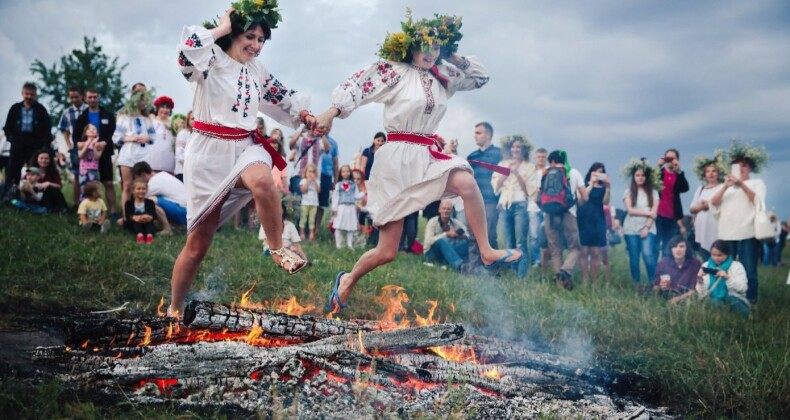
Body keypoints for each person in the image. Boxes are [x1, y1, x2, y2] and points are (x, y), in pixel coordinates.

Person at [315, 12, 521, 312]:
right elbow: (358, 87)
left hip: (426, 154)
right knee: (386, 252)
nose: (430, 52)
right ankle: (346, 281)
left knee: (466, 180)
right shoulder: (393, 71)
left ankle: (487, 251)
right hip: (396, 159)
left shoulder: (442, 75)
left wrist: (453, 55)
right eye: (425, 46)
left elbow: (481, 78)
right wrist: (331, 113)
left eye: (436, 47)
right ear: (410, 46)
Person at [169, 6, 318, 316]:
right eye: (250, 36)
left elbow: (281, 96)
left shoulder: (257, 70)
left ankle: (277, 249)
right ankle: (173, 308)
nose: (257, 45)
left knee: (264, 181)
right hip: (208, 154)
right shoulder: (210, 59)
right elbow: (186, 52)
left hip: (244, 145)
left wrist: (303, 114)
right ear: (234, 33)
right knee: (198, 246)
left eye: (262, 39)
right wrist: (222, 27)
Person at [709, 147, 767, 303]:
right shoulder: (726, 186)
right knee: (725, 268)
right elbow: (713, 203)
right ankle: (727, 298)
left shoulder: (757, 183)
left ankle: (750, 301)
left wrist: (741, 184)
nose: (740, 169)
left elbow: (757, 200)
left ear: (750, 168)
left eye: (744, 165)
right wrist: (726, 186)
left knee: (749, 270)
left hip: (747, 232)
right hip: (727, 233)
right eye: (737, 166)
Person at [540, 150, 588, 289]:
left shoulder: (545, 173)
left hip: (549, 215)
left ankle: (560, 286)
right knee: (575, 248)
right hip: (569, 214)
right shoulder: (573, 173)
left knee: (555, 250)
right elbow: (585, 197)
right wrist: (574, 205)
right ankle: (565, 270)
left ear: (552, 161)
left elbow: (538, 197)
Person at [491, 134, 536, 279]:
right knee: (509, 242)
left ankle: (521, 276)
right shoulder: (502, 164)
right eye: (514, 147)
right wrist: (506, 173)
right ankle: (513, 272)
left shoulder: (529, 167)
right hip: (505, 204)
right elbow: (496, 187)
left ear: (524, 150)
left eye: (519, 147)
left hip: (520, 204)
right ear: (510, 149)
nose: (516, 149)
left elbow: (528, 191)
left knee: (521, 241)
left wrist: (516, 173)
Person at [72, 88, 118, 218]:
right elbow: (76, 136)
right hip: (87, 156)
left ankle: (113, 211)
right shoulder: (82, 117)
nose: (92, 99)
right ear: (85, 99)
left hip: (104, 152)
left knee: (108, 182)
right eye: (90, 97)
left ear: (99, 98)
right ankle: (85, 211)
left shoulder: (107, 115)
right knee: (87, 184)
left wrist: (104, 143)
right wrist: (79, 144)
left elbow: (113, 133)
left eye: (95, 97)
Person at [113, 87, 155, 220]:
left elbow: (153, 136)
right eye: (140, 100)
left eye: (144, 100)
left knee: (142, 184)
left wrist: (147, 138)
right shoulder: (124, 117)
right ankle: (127, 217)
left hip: (143, 154)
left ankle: (144, 214)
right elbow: (116, 137)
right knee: (127, 185)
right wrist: (131, 138)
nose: (143, 103)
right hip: (128, 153)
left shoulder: (146, 118)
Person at [3, 82, 53, 191]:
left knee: (33, 170)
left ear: (35, 95)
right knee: (13, 169)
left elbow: (47, 129)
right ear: (22, 93)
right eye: (27, 94)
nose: (29, 97)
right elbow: (7, 127)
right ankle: (10, 193)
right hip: (18, 142)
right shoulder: (15, 108)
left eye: (32, 94)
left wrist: (43, 144)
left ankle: (33, 194)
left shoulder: (41, 110)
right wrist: (11, 138)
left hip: (34, 143)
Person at [466, 122, 502, 272]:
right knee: (473, 235)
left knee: (490, 236)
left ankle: (492, 271)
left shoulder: (499, 154)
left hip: (490, 201)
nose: (475, 136)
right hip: (473, 202)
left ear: (488, 135)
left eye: (478, 133)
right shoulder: (472, 156)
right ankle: (474, 269)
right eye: (475, 133)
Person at [622, 159, 660, 286]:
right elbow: (630, 211)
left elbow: (654, 213)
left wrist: (646, 227)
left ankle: (654, 283)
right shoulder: (628, 192)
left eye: (643, 175)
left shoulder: (653, 193)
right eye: (637, 175)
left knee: (648, 255)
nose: (640, 178)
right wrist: (648, 212)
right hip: (631, 228)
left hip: (648, 227)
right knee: (634, 257)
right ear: (633, 177)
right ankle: (636, 284)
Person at [696, 240, 750, 318]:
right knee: (714, 302)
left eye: (719, 255)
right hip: (712, 300)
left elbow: (743, 288)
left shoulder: (736, 266)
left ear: (727, 254)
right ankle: (721, 318)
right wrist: (700, 281)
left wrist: (727, 278)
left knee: (731, 301)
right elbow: (701, 294)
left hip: (734, 299)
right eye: (713, 255)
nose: (716, 258)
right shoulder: (706, 265)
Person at [577, 162, 610, 285]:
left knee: (596, 252)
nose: (598, 174)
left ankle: (594, 282)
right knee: (584, 251)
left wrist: (608, 186)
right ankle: (584, 280)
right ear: (591, 172)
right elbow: (582, 199)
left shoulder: (603, 188)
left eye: (601, 171)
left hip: (598, 220)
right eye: (595, 171)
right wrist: (591, 183)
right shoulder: (584, 185)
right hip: (584, 219)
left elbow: (606, 202)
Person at [689, 157, 724, 261]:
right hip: (701, 228)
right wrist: (703, 206)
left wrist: (708, 204)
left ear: (718, 173)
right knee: (705, 257)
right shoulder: (701, 189)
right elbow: (692, 208)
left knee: (718, 255)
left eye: (714, 171)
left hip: (716, 227)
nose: (711, 174)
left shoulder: (722, 187)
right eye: (708, 171)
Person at [656, 149, 689, 256]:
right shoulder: (660, 173)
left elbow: (685, 188)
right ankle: (655, 270)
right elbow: (650, 182)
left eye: (673, 158)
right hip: (658, 214)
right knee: (655, 244)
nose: (670, 160)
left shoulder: (678, 175)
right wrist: (658, 166)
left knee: (668, 245)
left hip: (671, 216)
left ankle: (666, 269)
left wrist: (679, 171)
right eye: (668, 158)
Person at [58, 86, 88, 207]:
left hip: (88, 144)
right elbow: (64, 129)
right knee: (76, 174)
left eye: (76, 97)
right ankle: (77, 203)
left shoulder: (88, 109)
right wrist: (69, 144)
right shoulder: (67, 112)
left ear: (82, 96)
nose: (74, 99)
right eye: (71, 97)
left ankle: (90, 201)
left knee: (88, 174)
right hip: (75, 147)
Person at [132, 161, 185, 227]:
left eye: (137, 178)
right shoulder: (162, 174)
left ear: (143, 175)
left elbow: (138, 199)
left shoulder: (153, 183)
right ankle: (174, 224)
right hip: (186, 210)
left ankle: (167, 228)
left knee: (150, 200)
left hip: (183, 212)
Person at [652, 235, 701, 304]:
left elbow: (694, 289)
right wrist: (660, 286)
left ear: (686, 249)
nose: (678, 249)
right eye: (675, 246)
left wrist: (677, 299)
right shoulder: (663, 263)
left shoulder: (695, 263)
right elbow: (655, 287)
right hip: (666, 296)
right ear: (671, 249)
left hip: (687, 298)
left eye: (681, 246)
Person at [423, 198, 469, 271]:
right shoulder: (432, 222)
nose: (446, 211)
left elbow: (467, 235)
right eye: (443, 208)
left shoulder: (455, 223)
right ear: (439, 210)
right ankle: (458, 266)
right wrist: (446, 234)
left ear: (452, 211)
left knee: (468, 242)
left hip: (446, 253)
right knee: (441, 241)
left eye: (448, 209)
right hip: (431, 253)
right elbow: (427, 242)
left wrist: (462, 236)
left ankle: (473, 263)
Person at [331, 165, 363, 249]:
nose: (345, 173)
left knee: (350, 226)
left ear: (350, 173)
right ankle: (338, 244)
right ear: (341, 173)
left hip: (351, 207)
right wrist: (334, 208)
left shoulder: (353, 185)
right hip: (341, 207)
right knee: (338, 225)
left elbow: (356, 196)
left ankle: (349, 244)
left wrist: (363, 194)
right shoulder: (338, 185)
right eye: (343, 171)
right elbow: (335, 197)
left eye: (347, 171)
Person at [528, 147, 549, 268]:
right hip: (533, 207)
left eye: (543, 157)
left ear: (546, 158)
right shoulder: (531, 172)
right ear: (535, 158)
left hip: (546, 207)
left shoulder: (549, 171)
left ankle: (547, 259)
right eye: (538, 157)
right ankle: (536, 261)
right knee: (534, 235)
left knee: (547, 234)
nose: (541, 159)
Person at [316, 130, 339, 234]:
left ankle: (316, 230)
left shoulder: (333, 143)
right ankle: (305, 229)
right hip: (313, 173)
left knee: (321, 205)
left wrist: (335, 182)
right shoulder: (313, 138)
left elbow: (335, 163)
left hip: (326, 175)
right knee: (309, 202)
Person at [76, 124, 106, 200]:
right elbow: (80, 155)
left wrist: (94, 145)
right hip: (83, 170)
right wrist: (88, 142)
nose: (92, 131)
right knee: (83, 189)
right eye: (89, 129)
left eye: (94, 129)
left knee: (95, 189)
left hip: (94, 170)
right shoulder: (81, 144)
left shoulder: (99, 145)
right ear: (86, 132)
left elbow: (97, 157)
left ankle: (95, 208)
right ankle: (83, 208)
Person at [124, 178, 157, 244]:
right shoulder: (129, 203)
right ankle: (140, 235)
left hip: (147, 222)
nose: (141, 191)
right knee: (137, 218)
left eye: (143, 189)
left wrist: (149, 217)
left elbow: (154, 215)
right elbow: (128, 215)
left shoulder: (150, 202)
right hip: (135, 223)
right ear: (133, 190)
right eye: (138, 189)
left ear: (146, 190)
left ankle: (149, 235)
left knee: (149, 222)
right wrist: (134, 217)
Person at [148, 96, 176, 174]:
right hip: (153, 160)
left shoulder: (173, 124)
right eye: (162, 107)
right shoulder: (151, 121)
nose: (165, 110)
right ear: (157, 108)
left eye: (167, 108)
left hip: (169, 161)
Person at [299, 163, 320, 240]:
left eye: (313, 172)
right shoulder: (303, 181)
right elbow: (303, 190)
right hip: (305, 203)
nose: (311, 174)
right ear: (306, 172)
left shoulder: (317, 181)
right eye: (309, 171)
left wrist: (314, 181)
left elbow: (318, 190)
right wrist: (308, 181)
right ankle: (302, 233)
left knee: (312, 220)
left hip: (314, 204)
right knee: (303, 219)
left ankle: (311, 233)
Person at [268, 128, 288, 194]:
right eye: (275, 133)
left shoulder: (281, 158)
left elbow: (284, 176)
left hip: (278, 190)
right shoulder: (264, 158)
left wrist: (286, 190)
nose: (277, 136)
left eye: (276, 147)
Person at [174, 111, 193, 182]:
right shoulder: (183, 134)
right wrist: (189, 167)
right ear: (188, 121)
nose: (195, 121)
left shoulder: (197, 135)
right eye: (192, 119)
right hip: (182, 171)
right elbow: (179, 154)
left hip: (193, 173)